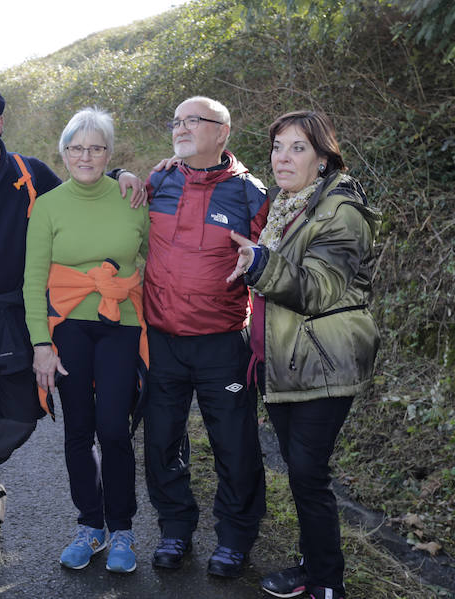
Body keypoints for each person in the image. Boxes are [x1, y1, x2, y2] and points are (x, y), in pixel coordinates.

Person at [0, 89, 145, 566]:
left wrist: (123, 174)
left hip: (18, 320)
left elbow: (83, 188)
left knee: (20, 419)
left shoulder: (29, 174)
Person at [227, 110, 381, 599]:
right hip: (284, 363)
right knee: (300, 471)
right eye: (277, 146)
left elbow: (319, 290)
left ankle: (326, 582)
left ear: (322, 158)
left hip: (323, 360)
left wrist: (259, 262)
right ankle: (312, 562)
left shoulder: (341, 210)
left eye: (297, 147)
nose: (283, 157)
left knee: (308, 473)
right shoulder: (286, 204)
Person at [142, 96, 269, 578]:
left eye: (193, 120)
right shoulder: (158, 181)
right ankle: (175, 529)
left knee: (234, 445)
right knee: (161, 442)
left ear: (223, 132)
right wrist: (122, 178)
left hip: (222, 343)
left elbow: (272, 261)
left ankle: (236, 539)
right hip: (163, 340)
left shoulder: (253, 194)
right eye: (175, 120)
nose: (181, 127)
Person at [22, 108, 149, 573]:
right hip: (67, 327)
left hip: (122, 323)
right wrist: (40, 344)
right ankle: (89, 526)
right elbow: (33, 278)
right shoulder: (49, 205)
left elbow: (154, 257)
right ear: (64, 153)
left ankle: (122, 531)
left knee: (114, 428)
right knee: (79, 430)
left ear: (110, 154)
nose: (86, 156)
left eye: (96, 148)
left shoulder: (134, 197)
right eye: (76, 148)